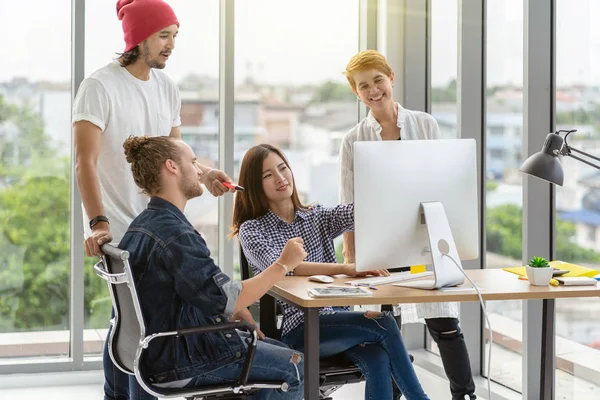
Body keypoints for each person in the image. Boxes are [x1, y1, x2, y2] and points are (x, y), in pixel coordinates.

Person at [72, 1, 234, 399]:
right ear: (137, 38)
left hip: (162, 223)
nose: (171, 45)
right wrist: (99, 223)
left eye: (175, 36)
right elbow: (84, 163)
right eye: (164, 35)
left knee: (131, 324)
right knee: (143, 330)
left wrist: (206, 171)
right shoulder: (99, 87)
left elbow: (177, 151)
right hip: (123, 230)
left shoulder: (167, 88)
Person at [232, 144, 430, 400]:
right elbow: (282, 268)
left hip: (335, 320)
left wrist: (393, 184)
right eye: (267, 175)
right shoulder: (252, 230)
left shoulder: (316, 216)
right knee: (384, 322)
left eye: (283, 168)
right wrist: (347, 269)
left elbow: (358, 212)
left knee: (378, 355)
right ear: (255, 185)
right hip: (299, 329)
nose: (280, 178)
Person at [118, 135, 305, 399]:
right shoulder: (175, 235)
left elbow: (201, 288)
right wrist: (283, 264)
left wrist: (237, 308)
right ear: (172, 167)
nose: (198, 170)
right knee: (297, 366)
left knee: (275, 348)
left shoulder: (142, 226)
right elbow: (226, 298)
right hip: (182, 359)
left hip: (157, 353)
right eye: (193, 162)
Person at [339, 49, 476, 400]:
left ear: (391, 78)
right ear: (356, 92)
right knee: (389, 330)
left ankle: (465, 395)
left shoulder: (424, 124)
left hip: (424, 237)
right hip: (381, 245)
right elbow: (348, 202)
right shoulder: (353, 139)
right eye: (363, 85)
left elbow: (441, 180)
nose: (373, 90)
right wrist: (354, 258)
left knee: (445, 324)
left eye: (378, 81)